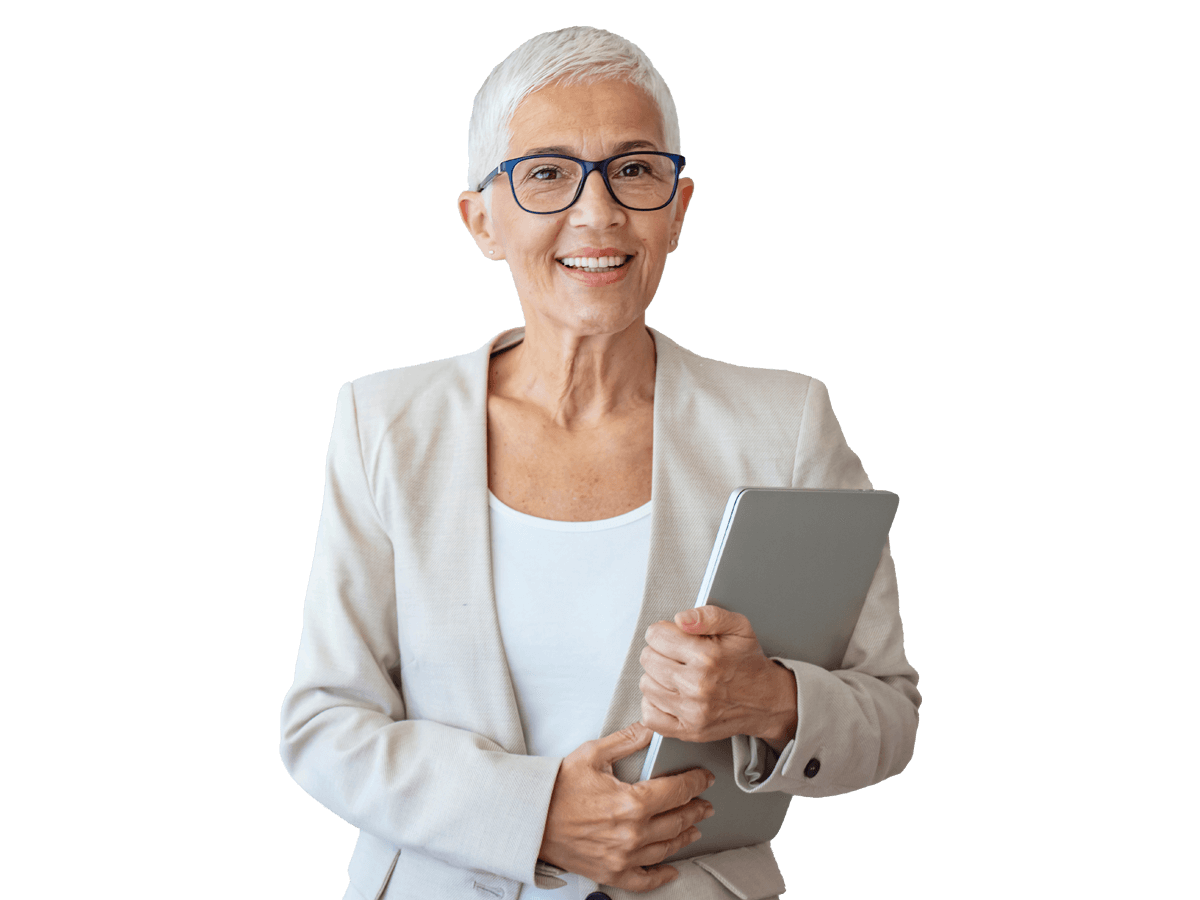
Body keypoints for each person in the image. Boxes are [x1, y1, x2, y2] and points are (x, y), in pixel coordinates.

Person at [280, 25, 919, 900]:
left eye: (634, 169)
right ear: (482, 221)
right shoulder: (383, 421)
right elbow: (322, 722)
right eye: (546, 173)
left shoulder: (787, 422)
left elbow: (888, 713)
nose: (598, 213)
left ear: (678, 209)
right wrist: (535, 814)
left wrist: (770, 700)